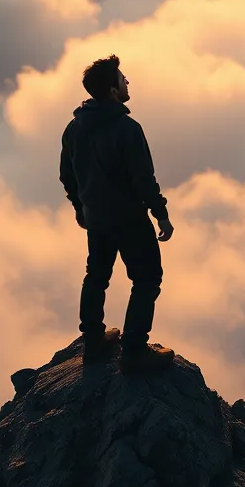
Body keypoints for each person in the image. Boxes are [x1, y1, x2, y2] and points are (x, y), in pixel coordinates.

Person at [59, 54, 175, 372]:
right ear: (112, 89)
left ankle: (94, 340)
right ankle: (134, 351)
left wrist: (81, 208)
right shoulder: (126, 129)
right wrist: (160, 212)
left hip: (96, 219)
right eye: (122, 78)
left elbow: (67, 175)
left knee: (96, 276)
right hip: (129, 219)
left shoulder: (73, 129)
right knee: (147, 279)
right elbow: (142, 179)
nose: (127, 82)